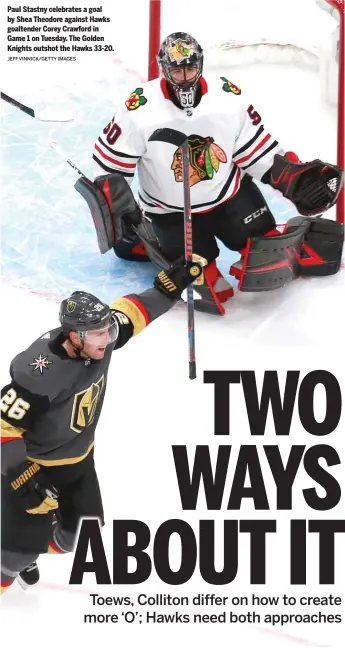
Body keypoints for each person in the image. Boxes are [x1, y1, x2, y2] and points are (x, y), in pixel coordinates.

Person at [88, 31, 343, 315]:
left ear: (200, 64)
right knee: (201, 284)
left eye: (190, 67)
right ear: (164, 69)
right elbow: (110, 168)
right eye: (176, 69)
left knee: (271, 253)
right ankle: (150, 248)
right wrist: (123, 214)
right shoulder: (139, 108)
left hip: (231, 198)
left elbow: (255, 149)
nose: (184, 76)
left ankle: (281, 242)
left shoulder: (226, 96)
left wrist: (291, 177)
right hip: (171, 213)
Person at [0, 258, 202, 594]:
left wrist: (168, 287)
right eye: (98, 334)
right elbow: (3, 427)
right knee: (14, 556)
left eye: (108, 330)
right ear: (74, 336)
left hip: (78, 461)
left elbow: (133, 313)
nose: (107, 339)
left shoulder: (100, 340)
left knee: (79, 535)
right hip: (36, 465)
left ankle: (29, 544)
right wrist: (24, 477)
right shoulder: (41, 374)